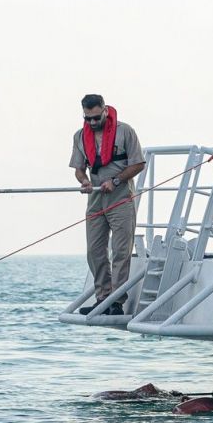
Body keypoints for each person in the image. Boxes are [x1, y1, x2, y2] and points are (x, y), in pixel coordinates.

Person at [69, 94, 145, 315]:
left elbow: (138, 163)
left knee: (121, 251)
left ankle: (116, 301)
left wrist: (116, 180)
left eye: (96, 117)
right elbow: (79, 169)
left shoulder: (125, 131)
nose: (92, 123)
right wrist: (83, 181)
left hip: (121, 196)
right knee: (94, 251)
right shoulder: (79, 136)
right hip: (95, 197)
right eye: (88, 118)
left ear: (104, 110)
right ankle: (102, 298)